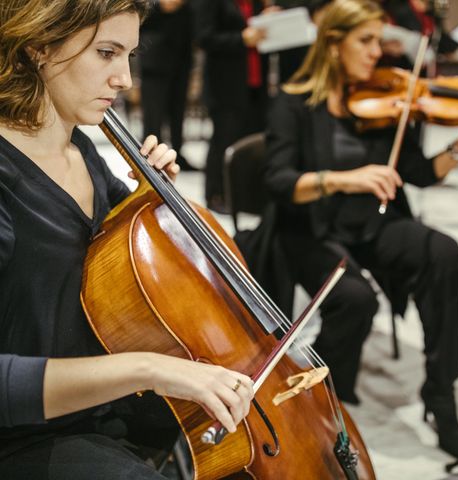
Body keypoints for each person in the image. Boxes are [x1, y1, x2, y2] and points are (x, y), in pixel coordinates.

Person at [252, 0, 458, 460]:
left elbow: (422, 172)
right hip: (309, 229)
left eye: (380, 39)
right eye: (366, 41)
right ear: (334, 45)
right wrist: (343, 179)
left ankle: (441, 392)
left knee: (443, 252)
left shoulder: (386, 100)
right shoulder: (294, 103)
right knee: (355, 298)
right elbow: (276, 181)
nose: (379, 51)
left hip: (369, 223)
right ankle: (320, 393)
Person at [0, 1, 254, 478]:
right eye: (106, 53)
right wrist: (148, 368)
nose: (125, 80)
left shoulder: (85, 153)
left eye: (130, 57)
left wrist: (151, 198)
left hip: (100, 410)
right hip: (25, 436)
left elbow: (137, 269)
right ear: (37, 46)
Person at [193, 0, 273, 213]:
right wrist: (242, 38)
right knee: (223, 140)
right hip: (225, 85)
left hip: (255, 84)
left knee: (250, 140)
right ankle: (215, 194)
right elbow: (204, 37)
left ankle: (245, 197)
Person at [138, 0, 198, 171]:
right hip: (155, 56)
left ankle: (177, 153)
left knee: (178, 111)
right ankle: (150, 158)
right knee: (153, 113)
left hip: (181, 54)